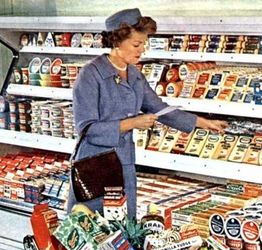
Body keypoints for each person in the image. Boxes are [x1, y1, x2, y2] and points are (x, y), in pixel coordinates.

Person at [67, 8, 227, 217]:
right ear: (117, 41)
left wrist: (203, 123)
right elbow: (87, 129)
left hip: (124, 161)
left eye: (144, 43)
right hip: (95, 164)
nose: (142, 50)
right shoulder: (90, 74)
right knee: (93, 226)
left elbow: (160, 108)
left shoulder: (134, 74)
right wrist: (133, 123)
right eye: (136, 44)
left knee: (124, 225)